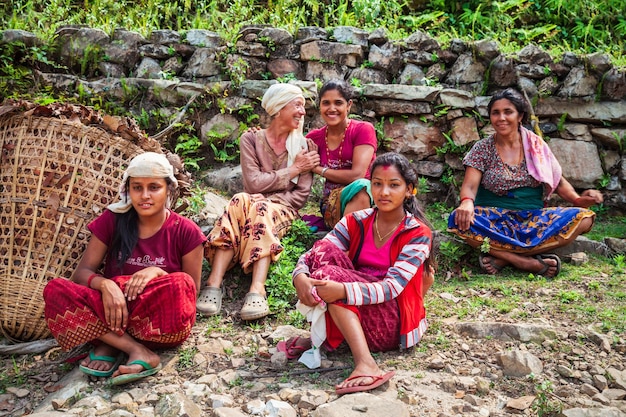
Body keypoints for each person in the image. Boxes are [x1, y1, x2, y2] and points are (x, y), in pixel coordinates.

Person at [43, 152, 206, 385]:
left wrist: (157, 272)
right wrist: (106, 284)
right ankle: (136, 349)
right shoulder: (113, 220)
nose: (145, 195)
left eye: (154, 187)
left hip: (158, 321)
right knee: (55, 289)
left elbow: (191, 290)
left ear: (169, 189)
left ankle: (109, 343)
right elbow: (82, 273)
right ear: (127, 189)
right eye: (137, 187)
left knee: (179, 283)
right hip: (111, 311)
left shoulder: (186, 231)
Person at [291, 152, 435, 395]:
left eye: (394, 185)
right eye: (377, 184)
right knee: (324, 252)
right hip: (359, 304)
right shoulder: (356, 221)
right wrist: (300, 276)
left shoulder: (417, 233)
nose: (384, 192)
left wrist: (342, 290)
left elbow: (391, 288)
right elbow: (315, 252)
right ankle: (329, 336)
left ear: (410, 190)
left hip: (392, 319)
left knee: (332, 278)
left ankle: (366, 364)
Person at [447, 88, 603, 277]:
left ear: (520, 115)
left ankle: (504, 259)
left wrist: (579, 201)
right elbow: (470, 185)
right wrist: (466, 202)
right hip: (495, 220)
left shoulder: (536, 145)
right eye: (495, 113)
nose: (501, 118)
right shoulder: (483, 148)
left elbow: (559, 182)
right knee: (459, 219)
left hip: (532, 218)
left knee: (584, 218)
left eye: (508, 112)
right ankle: (526, 262)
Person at [197, 83, 320, 320]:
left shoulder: (305, 147)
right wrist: (293, 169)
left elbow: (300, 195)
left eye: (303, 107)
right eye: (298, 105)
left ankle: (257, 289)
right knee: (240, 198)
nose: (303, 112)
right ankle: (213, 283)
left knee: (257, 204)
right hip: (249, 204)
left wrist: (267, 196)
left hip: (283, 209)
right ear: (278, 108)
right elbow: (252, 183)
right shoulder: (251, 140)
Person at [306, 79, 378, 229]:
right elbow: (286, 149)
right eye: (326, 103)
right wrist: (257, 136)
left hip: (366, 199)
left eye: (338, 103)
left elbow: (357, 174)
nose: (332, 108)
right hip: (331, 205)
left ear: (349, 105)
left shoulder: (363, 130)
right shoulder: (314, 138)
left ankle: (346, 243)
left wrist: (319, 170)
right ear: (319, 106)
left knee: (362, 186)